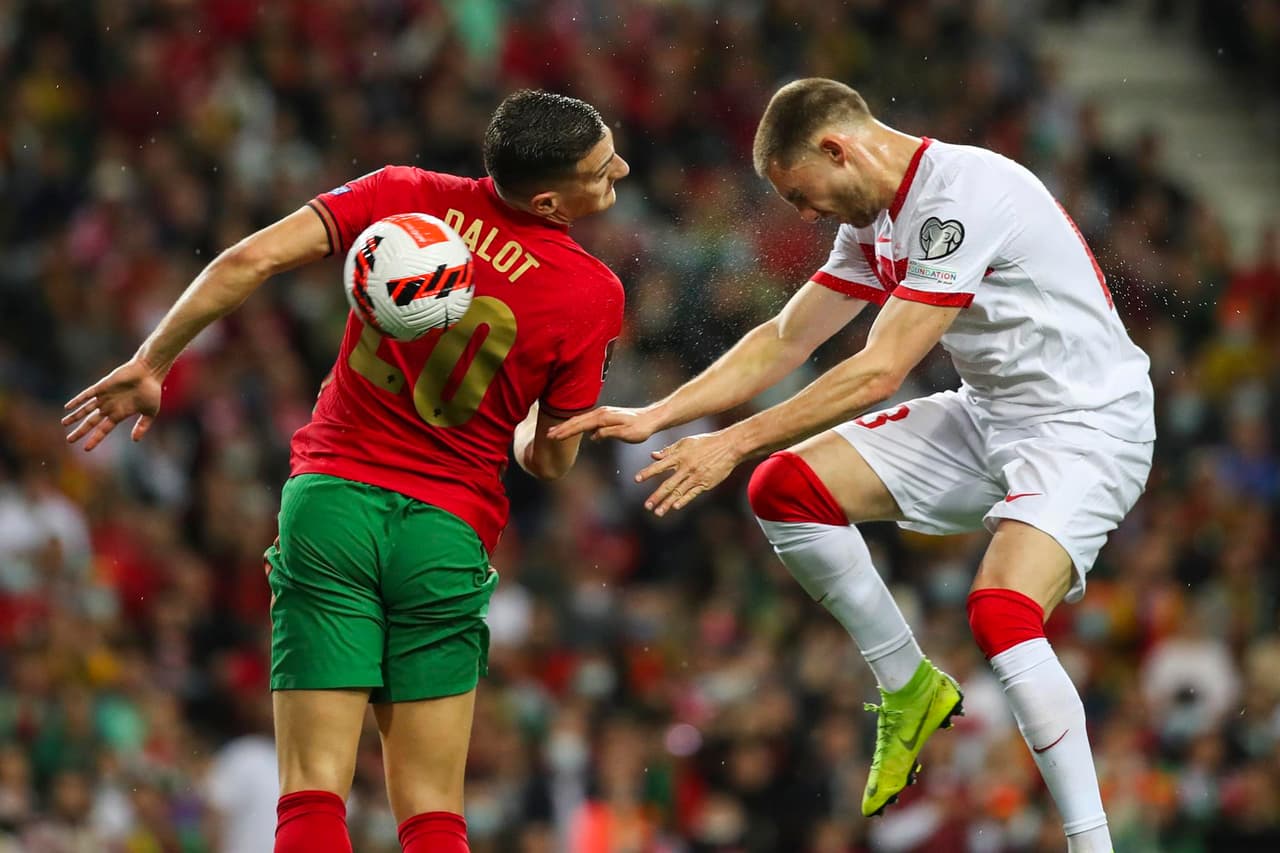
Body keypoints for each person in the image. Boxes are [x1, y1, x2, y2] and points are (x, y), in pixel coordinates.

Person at [551, 78, 1152, 853]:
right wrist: (659, 414)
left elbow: (879, 370)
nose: (804, 215)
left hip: (1087, 427)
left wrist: (731, 442)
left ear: (838, 148)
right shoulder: (876, 217)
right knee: (787, 488)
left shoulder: (961, 196)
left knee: (999, 610)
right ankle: (908, 682)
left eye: (802, 194)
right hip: (989, 414)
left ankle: (1090, 842)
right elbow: (787, 336)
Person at [63, 89, 630, 853]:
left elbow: (249, 257)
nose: (620, 169)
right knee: (431, 809)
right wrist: (532, 423)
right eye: (603, 169)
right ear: (550, 200)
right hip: (445, 533)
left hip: (331, 506)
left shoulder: (403, 194)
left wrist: (150, 360)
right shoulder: (592, 294)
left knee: (311, 792)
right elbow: (550, 459)